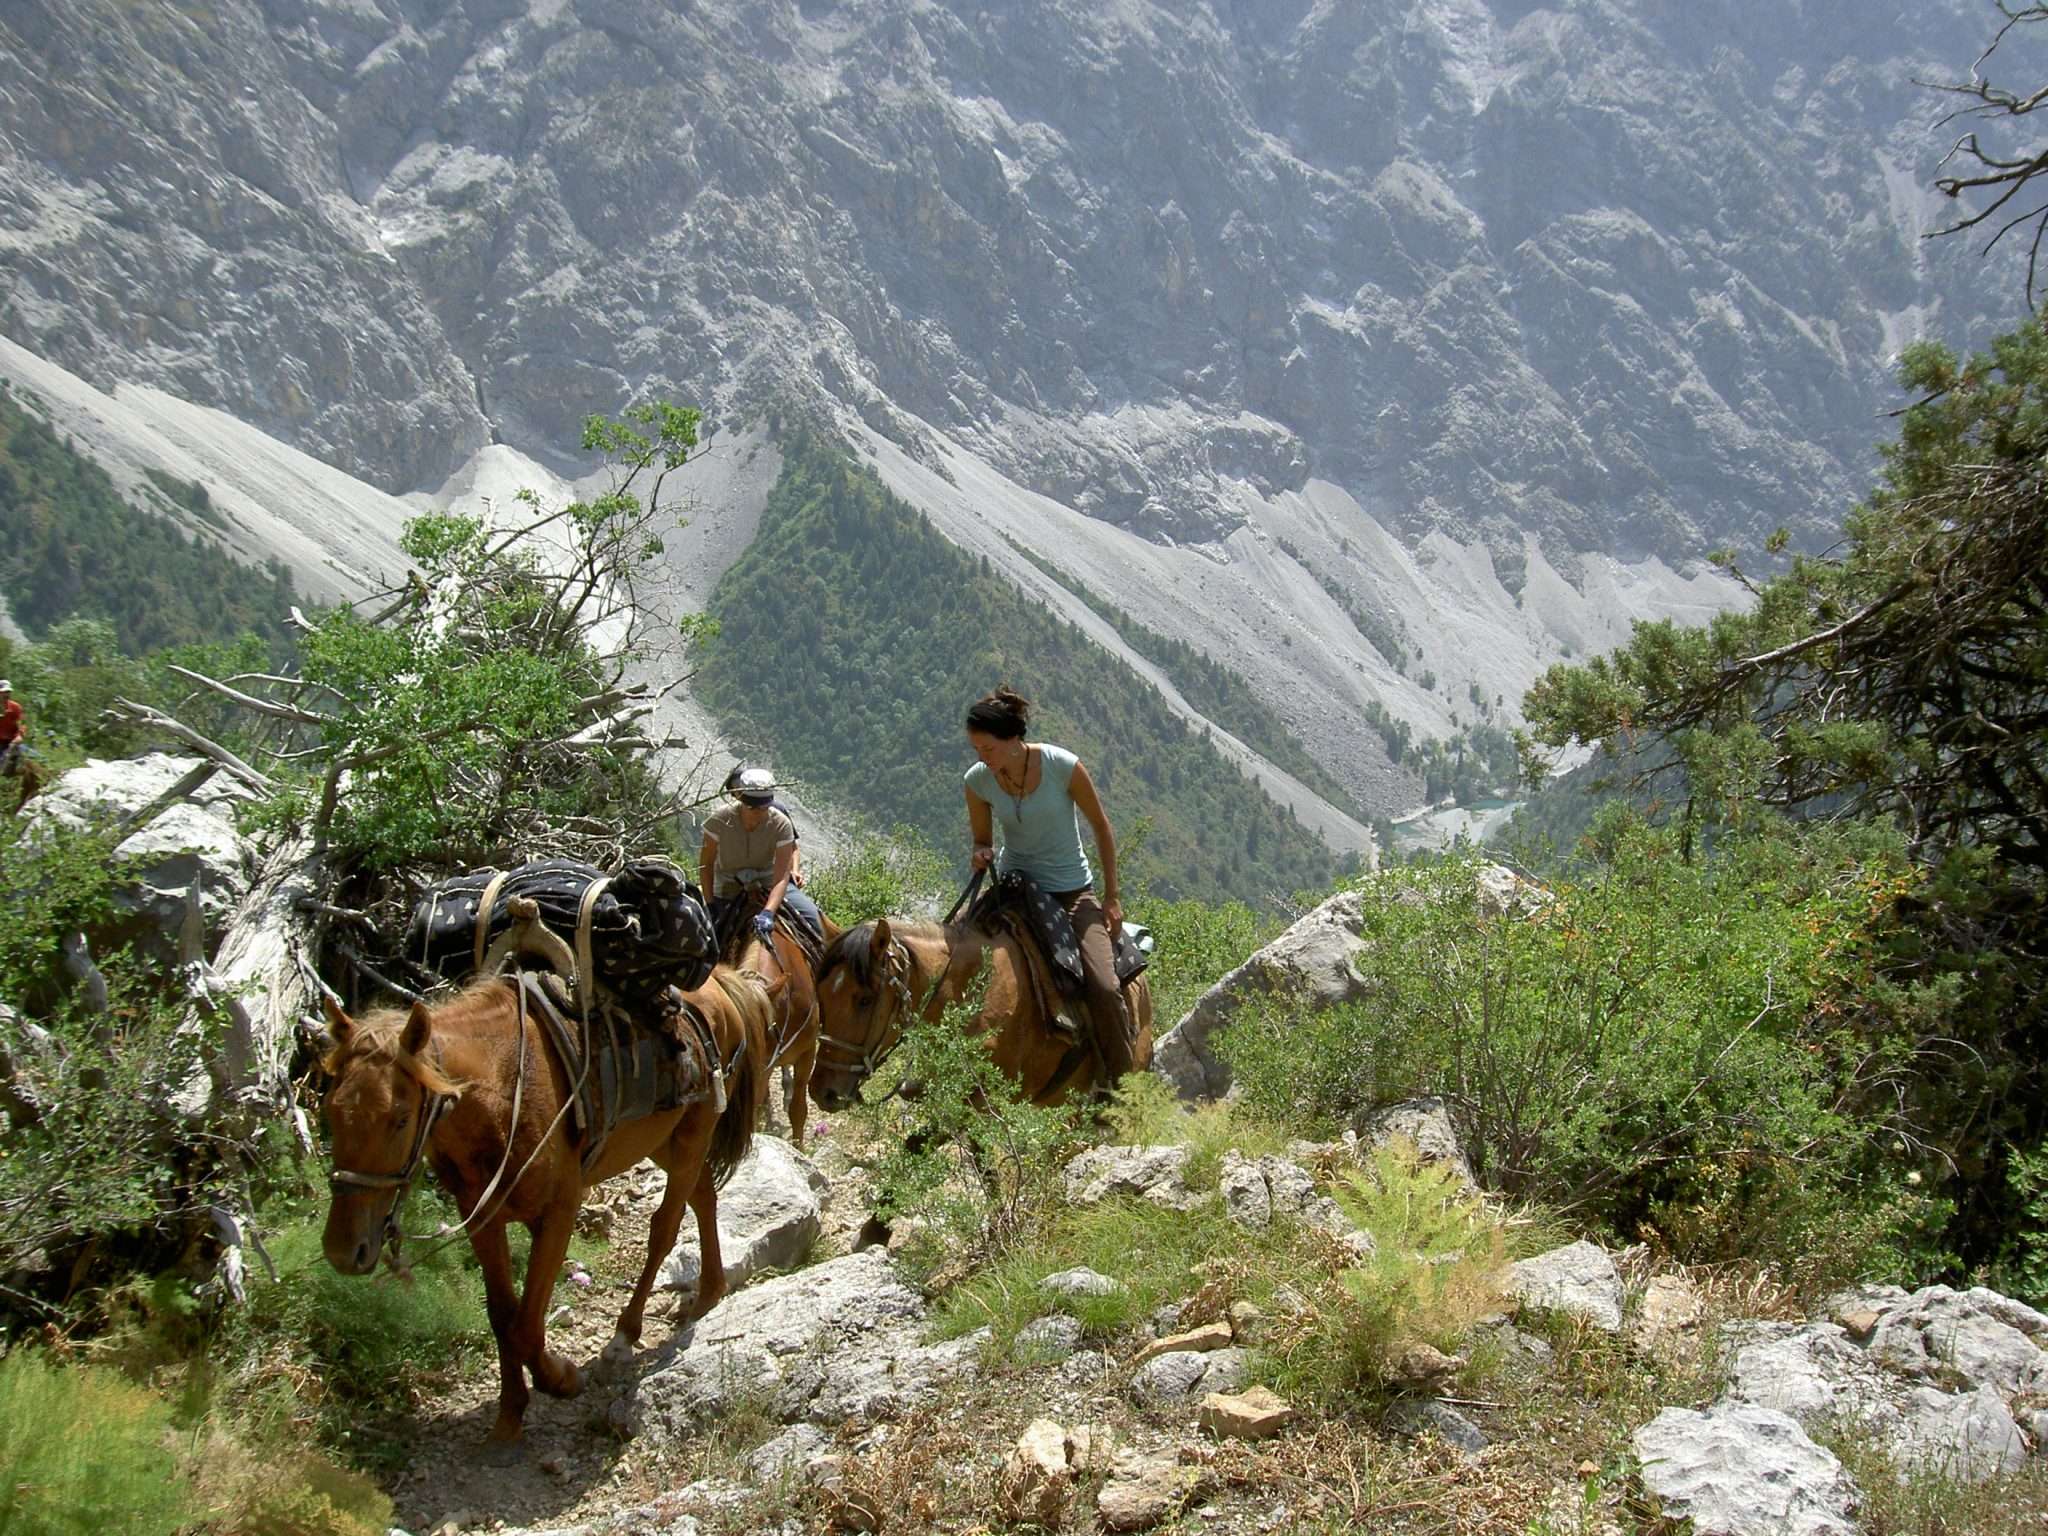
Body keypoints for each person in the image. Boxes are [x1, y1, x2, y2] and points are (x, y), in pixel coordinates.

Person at [962, 687, 1133, 1079]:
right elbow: (981, 840)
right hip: (1014, 888)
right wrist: (980, 852)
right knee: (955, 954)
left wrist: (1111, 897)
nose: (982, 757)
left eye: (988, 748)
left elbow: (1101, 827)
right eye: (976, 749)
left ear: (1013, 739)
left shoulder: (1062, 766)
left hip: (1071, 891)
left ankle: (1123, 1086)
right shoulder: (978, 781)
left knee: (1104, 986)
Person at [699, 767, 824, 948]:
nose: (758, 812)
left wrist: (768, 912)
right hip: (727, 887)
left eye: (763, 807)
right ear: (741, 799)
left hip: (769, 882)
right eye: (752, 807)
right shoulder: (719, 819)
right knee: (700, 941)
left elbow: (781, 875)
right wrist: (711, 904)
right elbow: (706, 865)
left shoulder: (781, 823)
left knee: (815, 921)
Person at [0, 679, 22, 778]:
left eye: (8, 692)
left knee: (32, 758)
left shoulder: (15, 707)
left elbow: (21, 724)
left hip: (11, 742)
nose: (6, 695)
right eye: (3, 692)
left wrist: (19, 735)